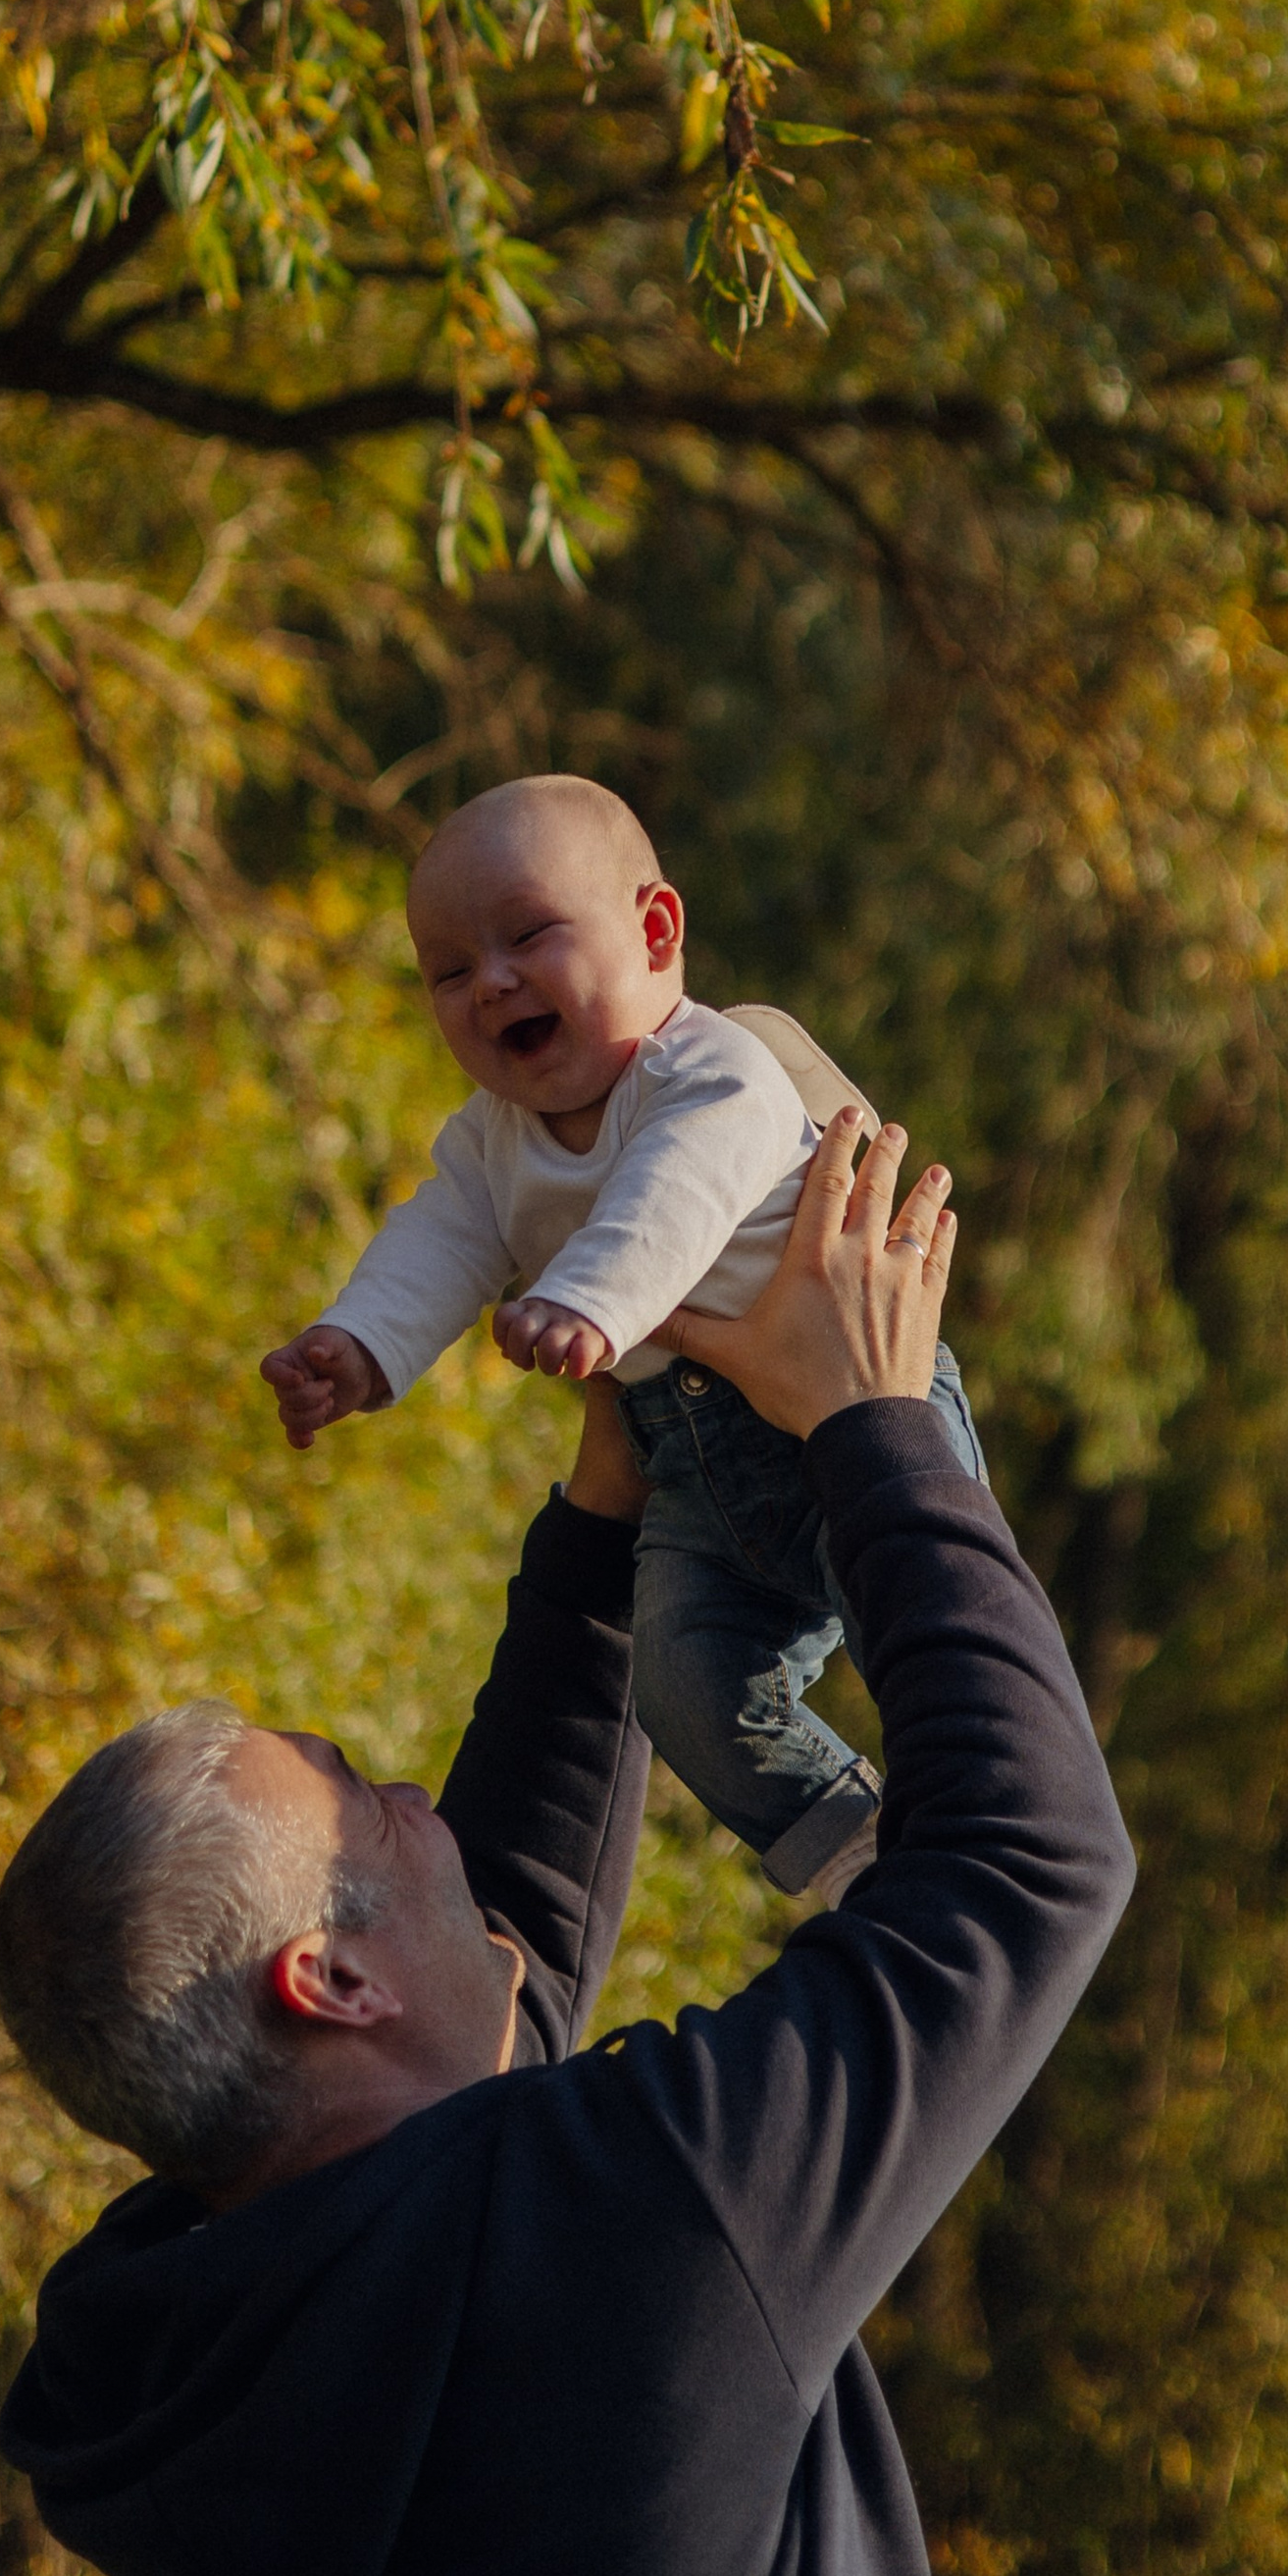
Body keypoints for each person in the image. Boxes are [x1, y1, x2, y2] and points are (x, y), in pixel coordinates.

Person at [0, 1115, 1136, 2576]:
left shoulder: (200, 2370)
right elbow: (1032, 1867)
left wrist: (610, 1510)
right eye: (353, 1797)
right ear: (329, 1981)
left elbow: (484, 1988)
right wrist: (877, 1426)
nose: (405, 1794)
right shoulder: (638, 2231)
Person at [257, 771, 987, 1898]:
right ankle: (853, 1853)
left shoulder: (712, 1069)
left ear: (653, 931)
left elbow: (679, 1189)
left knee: (929, 1634)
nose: (489, 981)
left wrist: (591, 1297)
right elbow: (436, 1244)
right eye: (449, 972)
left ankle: (992, 1821)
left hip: (857, 1418)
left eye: (528, 936)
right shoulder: (491, 1143)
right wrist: (355, 1347)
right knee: (681, 1681)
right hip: (691, 1484)